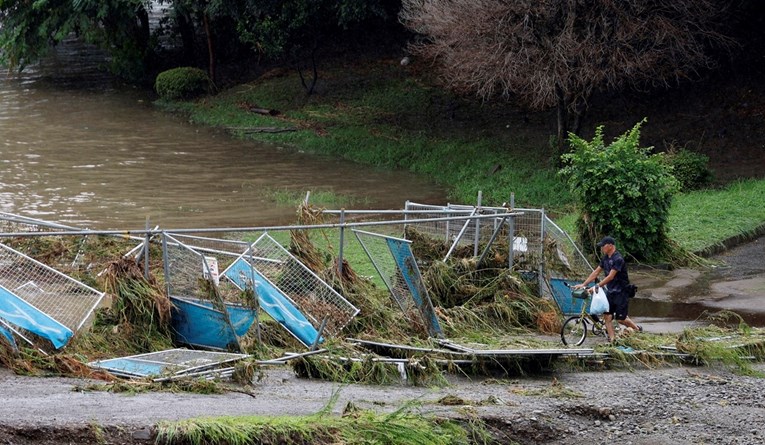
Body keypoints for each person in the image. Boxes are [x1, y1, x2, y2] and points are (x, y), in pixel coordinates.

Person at [574, 236, 642, 342]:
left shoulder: (618, 259)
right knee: (607, 317)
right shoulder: (605, 258)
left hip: (621, 292)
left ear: (610, 246)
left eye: (603, 246)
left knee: (621, 319)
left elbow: (610, 277)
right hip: (611, 292)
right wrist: (584, 284)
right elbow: (596, 272)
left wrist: (596, 286)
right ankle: (612, 339)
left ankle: (637, 329)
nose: (601, 248)